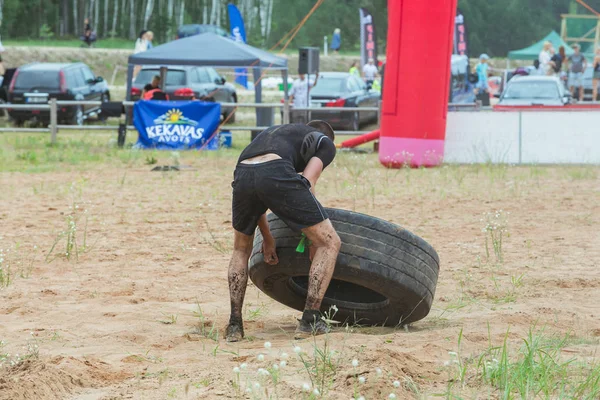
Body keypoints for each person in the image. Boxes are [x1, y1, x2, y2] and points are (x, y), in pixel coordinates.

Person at [225, 120, 341, 342]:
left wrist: (268, 239)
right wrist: (312, 239)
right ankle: (310, 320)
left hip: (243, 172)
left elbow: (259, 195)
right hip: (274, 170)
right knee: (329, 242)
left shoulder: (279, 135)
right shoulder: (325, 143)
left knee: (240, 249)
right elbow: (306, 182)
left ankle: (234, 325)